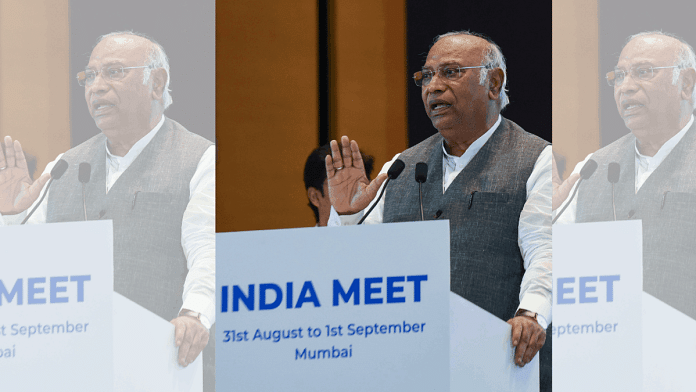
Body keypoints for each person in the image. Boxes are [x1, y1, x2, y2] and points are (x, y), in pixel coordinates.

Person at [325, 31, 553, 389]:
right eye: (426, 76)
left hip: (498, 365)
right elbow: (351, 269)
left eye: (450, 72)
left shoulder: (536, 159)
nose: (433, 87)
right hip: (411, 365)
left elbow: (546, 248)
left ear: (493, 83)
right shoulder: (400, 166)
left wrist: (532, 313)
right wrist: (347, 214)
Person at [0, 31, 215, 387]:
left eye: (114, 72)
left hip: (160, 365)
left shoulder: (199, 159)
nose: (95, 88)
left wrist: (195, 314)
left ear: (156, 83)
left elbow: (206, 248)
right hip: (70, 365)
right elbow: (23, 273)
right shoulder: (65, 166)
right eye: (89, 76)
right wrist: (10, 218)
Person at [554, 31, 696, 320]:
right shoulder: (594, 167)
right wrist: (548, 221)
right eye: (618, 76)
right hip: (607, 339)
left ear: (686, 83)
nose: (626, 87)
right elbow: (556, 262)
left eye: (643, 72)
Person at [303, 143, 374, 226]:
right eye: (343, 187)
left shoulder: (384, 234)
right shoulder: (299, 239)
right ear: (315, 197)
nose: (355, 194)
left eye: (360, 184)